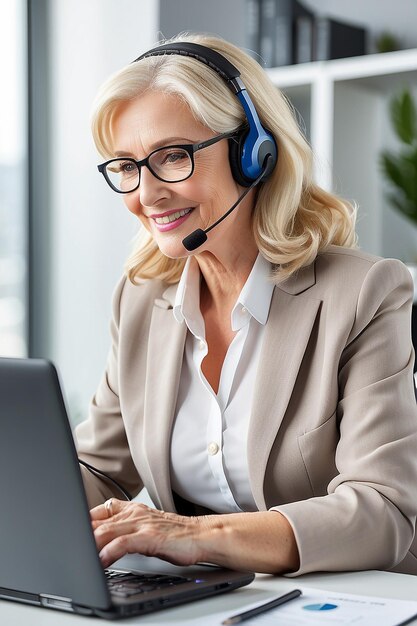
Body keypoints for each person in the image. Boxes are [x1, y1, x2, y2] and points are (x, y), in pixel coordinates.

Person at [75, 32, 417, 577]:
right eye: (126, 166)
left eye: (172, 157)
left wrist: (196, 537)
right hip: (207, 602)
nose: (146, 194)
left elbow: (384, 509)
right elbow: (98, 468)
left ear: (254, 152)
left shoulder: (364, 293)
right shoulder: (141, 300)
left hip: (344, 600)